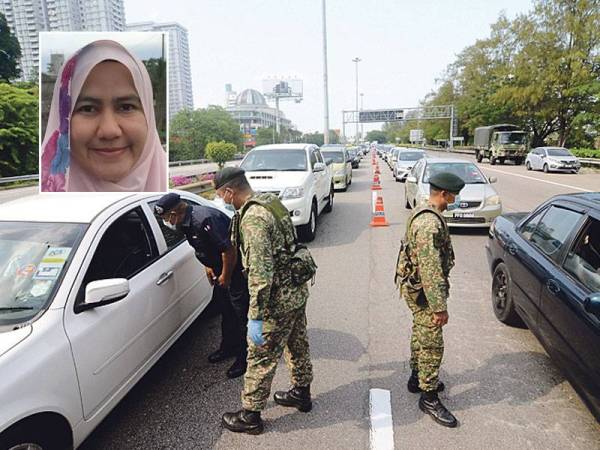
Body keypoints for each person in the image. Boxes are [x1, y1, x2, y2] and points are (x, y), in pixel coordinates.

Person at [215, 167, 313, 436]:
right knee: (297, 343)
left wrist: (255, 316)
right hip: (295, 290)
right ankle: (301, 393)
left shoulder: (254, 219)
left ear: (229, 191)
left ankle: (250, 415)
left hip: (276, 300)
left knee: (260, 357)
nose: (222, 201)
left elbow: (260, 273)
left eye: (221, 196)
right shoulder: (270, 202)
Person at [41, 39, 166, 192]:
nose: (109, 131)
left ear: (148, 117)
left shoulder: (181, 201)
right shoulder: (40, 210)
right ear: (63, 122)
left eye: (126, 107)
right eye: (87, 109)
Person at [395, 172, 465, 428]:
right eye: (454, 193)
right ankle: (429, 395)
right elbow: (430, 269)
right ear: (444, 193)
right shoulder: (429, 223)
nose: (456, 197)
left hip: (416, 289)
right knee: (432, 343)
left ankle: (416, 377)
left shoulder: (425, 208)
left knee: (420, 333)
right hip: (424, 293)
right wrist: (439, 308)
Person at [154, 192, 249, 379]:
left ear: (174, 214)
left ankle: (245, 358)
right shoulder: (186, 222)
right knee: (226, 310)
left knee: (240, 315)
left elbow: (229, 250)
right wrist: (208, 267)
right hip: (219, 269)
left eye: (166, 218)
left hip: (234, 271)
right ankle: (228, 347)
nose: (166, 222)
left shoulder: (203, 219)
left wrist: (226, 276)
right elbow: (203, 247)